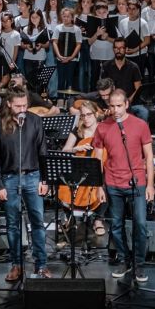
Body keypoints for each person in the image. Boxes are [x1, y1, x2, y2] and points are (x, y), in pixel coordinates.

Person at [93, 89, 155, 283]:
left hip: (137, 182)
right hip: (113, 182)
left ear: (127, 104)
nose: (116, 110)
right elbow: (97, 159)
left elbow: (149, 156)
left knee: (140, 224)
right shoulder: (102, 127)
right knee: (116, 226)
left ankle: (139, 264)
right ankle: (124, 259)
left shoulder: (140, 125)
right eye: (112, 106)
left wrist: (150, 185)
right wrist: (99, 186)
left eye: (119, 105)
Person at [0, 87, 51, 281]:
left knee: (37, 222)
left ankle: (41, 265)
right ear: (9, 104)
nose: (23, 109)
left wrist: (45, 180)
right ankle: (16, 265)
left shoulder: (35, 121)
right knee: (12, 224)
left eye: (25, 105)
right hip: (9, 178)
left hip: (33, 176)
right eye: (18, 106)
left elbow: (43, 152)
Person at [61, 99, 107, 235]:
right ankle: (69, 218)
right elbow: (65, 150)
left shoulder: (103, 129)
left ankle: (98, 220)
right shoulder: (78, 130)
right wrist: (76, 149)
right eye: (83, 115)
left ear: (96, 114)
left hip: (99, 167)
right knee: (63, 185)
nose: (86, 118)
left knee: (106, 182)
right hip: (79, 167)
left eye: (89, 114)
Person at [98, 38, 148, 121]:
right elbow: (103, 88)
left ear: (126, 49)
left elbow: (138, 88)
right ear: (113, 49)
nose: (118, 50)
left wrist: (128, 101)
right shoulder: (106, 66)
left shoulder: (133, 67)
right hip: (112, 103)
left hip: (130, 102)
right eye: (116, 48)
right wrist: (111, 103)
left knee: (144, 112)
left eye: (121, 48)